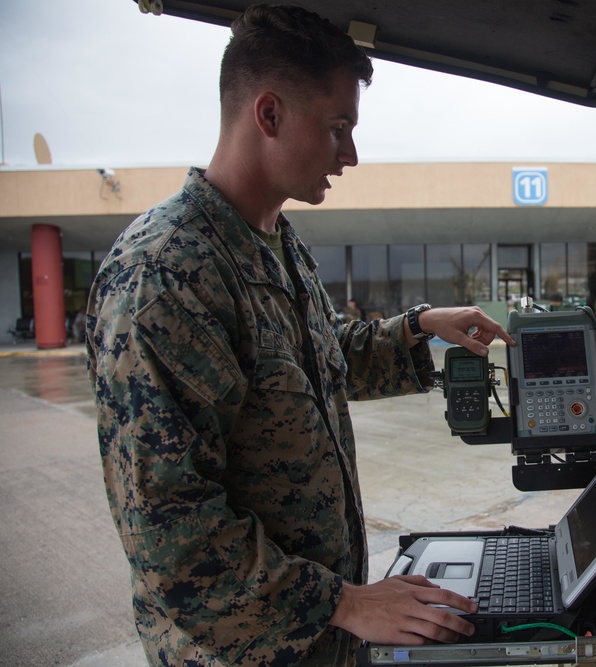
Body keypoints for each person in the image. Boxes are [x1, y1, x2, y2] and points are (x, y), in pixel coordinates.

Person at [85, 5, 515, 665]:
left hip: (324, 638)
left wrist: (424, 329)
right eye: (338, 127)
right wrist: (345, 602)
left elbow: (316, 361)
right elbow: (174, 538)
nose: (351, 154)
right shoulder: (164, 274)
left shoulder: (275, 244)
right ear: (269, 115)